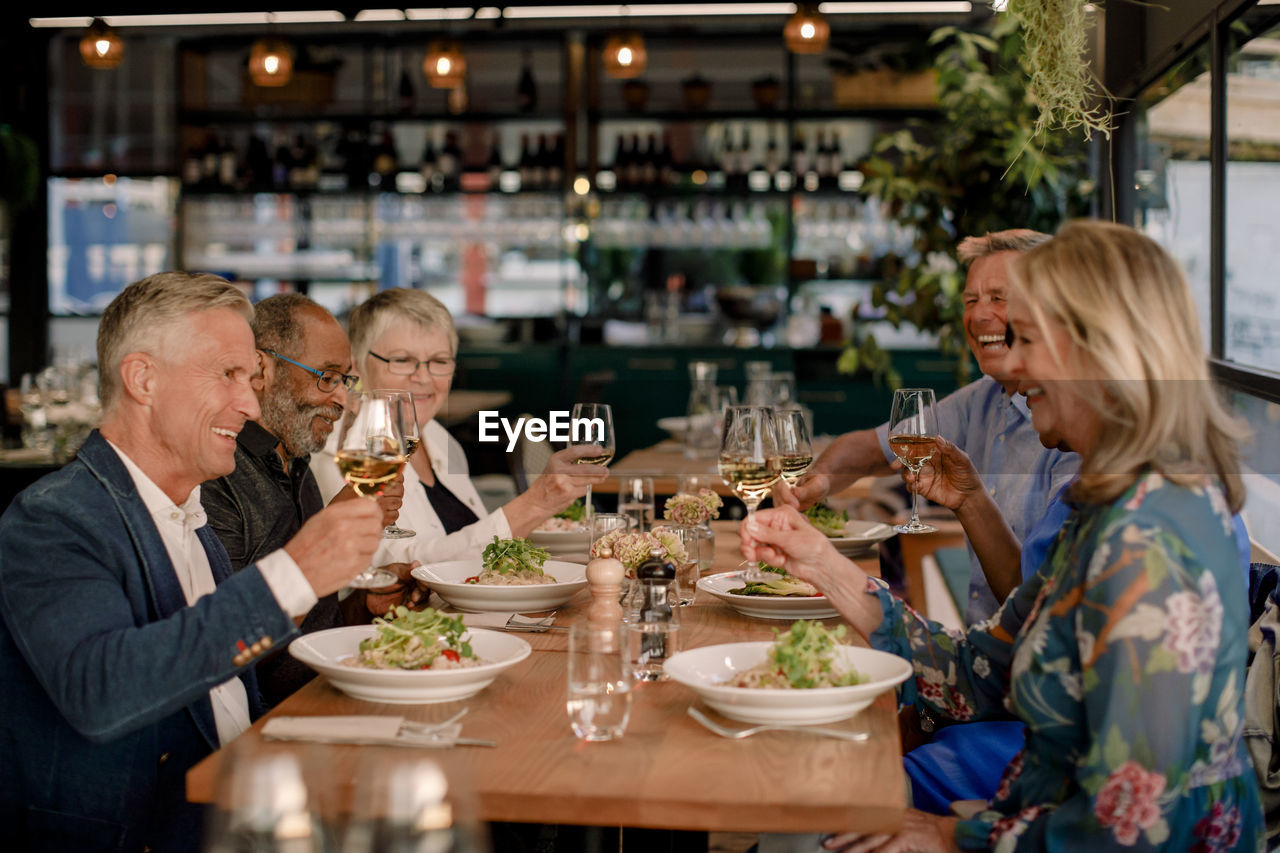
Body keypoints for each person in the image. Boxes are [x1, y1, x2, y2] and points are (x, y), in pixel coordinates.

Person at [742, 221, 1264, 850]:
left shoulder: (1149, 544)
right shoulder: (1100, 508)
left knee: (810, 815)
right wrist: (820, 563)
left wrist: (951, 836)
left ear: (1100, 353)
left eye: (1028, 340)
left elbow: (1127, 830)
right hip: (1030, 813)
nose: (1010, 367)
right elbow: (981, 670)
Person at [0, 272, 386, 852]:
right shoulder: (52, 520)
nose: (251, 402)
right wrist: (295, 573)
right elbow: (104, 691)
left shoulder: (189, 512)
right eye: (228, 375)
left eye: (250, 377)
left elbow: (226, 693)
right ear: (143, 379)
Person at [780, 229, 1079, 624]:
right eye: (970, 300)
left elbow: (1037, 608)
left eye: (998, 298)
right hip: (985, 650)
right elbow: (874, 446)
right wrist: (817, 483)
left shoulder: (1077, 435)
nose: (978, 315)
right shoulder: (983, 398)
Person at [201, 293, 414, 708]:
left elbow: (313, 625)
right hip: (275, 724)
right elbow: (232, 647)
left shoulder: (297, 462)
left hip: (335, 693)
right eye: (326, 377)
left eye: (345, 381)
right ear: (263, 369)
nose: (341, 400)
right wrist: (334, 524)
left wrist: (364, 606)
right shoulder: (215, 478)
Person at [311, 288, 608, 564]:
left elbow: (474, 547)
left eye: (439, 361)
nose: (424, 378)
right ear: (358, 364)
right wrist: (535, 503)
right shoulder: (341, 450)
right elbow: (395, 566)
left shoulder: (438, 438)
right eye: (402, 360)